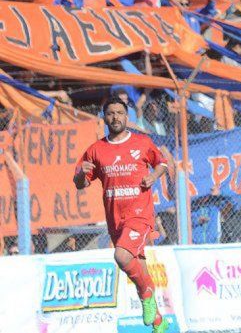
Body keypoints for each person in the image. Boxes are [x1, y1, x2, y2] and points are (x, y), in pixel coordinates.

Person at [73, 96, 170, 333]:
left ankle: (147, 298)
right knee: (139, 269)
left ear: (127, 117)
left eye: (120, 113)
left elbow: (163, 163)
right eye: (111, 113)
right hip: (114, 218)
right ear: (104, 117)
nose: (115, 117)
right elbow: (80, 183)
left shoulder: (142, 142)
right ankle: (159, 324)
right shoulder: (96, 150)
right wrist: (79, 174)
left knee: (122, 256)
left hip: (139, 214)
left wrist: (154, 176)